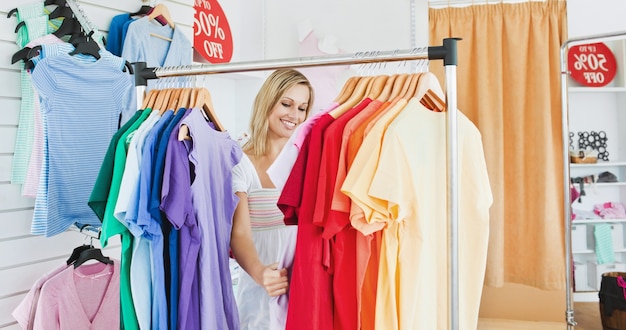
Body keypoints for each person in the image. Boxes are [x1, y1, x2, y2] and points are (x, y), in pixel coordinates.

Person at [230, 69, 314, 329]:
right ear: (267, 101)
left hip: (304, 283)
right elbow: (240, 233)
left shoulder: (307, 159)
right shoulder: (240, 161)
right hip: (261, 288)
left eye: (302, 108)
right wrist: (260, 274)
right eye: (286, 104)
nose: (294, 115)